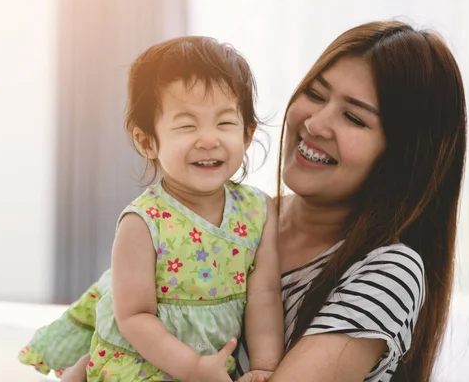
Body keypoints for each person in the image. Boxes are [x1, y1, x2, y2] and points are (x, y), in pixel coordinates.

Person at [63, 20, 467, 382]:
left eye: (355, 118)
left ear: (401, 157)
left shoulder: (388, 272)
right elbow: (116, 331)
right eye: (315, 93)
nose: (316, 123)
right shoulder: (217, 217)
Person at [19, 36, 284, 381]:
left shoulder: (258, 209)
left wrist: (265, 368)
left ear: (247, 134)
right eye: (187, 125)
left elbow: (264, 294)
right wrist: (193, 367)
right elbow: (133, 316)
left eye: (225, 123)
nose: (209, 139)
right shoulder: (143, 222)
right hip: (141, 364)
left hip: (212, 368)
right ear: (147, 141)